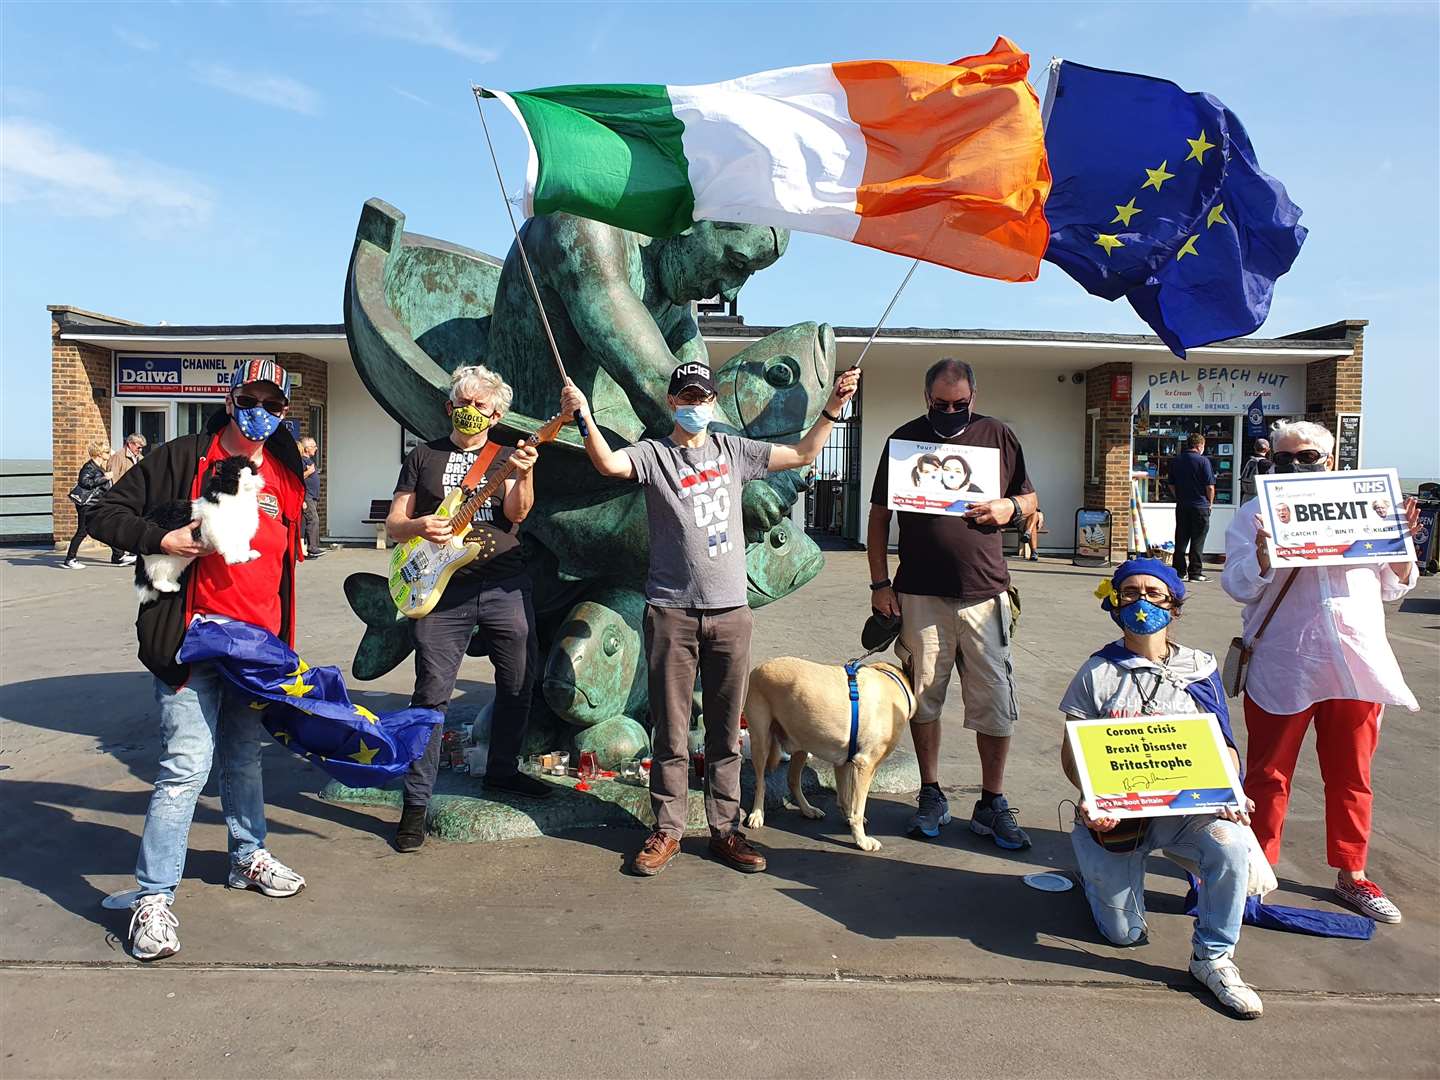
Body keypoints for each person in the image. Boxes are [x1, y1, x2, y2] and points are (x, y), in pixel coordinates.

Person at [561, 360, 860, 877]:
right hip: (671, 612)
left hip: (730, 614)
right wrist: (584, 416)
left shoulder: (734, 452)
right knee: (671, 729)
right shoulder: (654, 455)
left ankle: (726, 829)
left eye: (702, 399)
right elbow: (609, 465)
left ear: (713, 403)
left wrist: (834, 407)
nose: (695, 407)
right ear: (672, 404)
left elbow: (806, 452)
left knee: (725, 729)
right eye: (686, 398)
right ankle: (668, 830)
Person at [87, 359, 309, 961]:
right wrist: (160, 539)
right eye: (249, 397)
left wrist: (284, 646)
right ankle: (154, 897)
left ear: (285, 409)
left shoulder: (288, 477)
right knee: (187, 764)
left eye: (273, 402)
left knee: (244, 759)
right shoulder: (184, 457)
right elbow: (103, 512)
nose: (259, 410)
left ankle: (247, 856)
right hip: (191, 641)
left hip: (259, 649)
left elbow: (282, 566)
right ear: (231, 397)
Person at [1221, 420, 1420, 924]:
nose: (1292, 466)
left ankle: (1352, 872)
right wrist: (1264, 559)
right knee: (1267, 774)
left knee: (1352, 774)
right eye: (1281, 458)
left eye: (1305, 457)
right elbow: (1238, 584)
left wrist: (1400, 546)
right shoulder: (1253, 513)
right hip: (1286, 661)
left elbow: (1396, 585)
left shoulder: (1368, 506)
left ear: (1329, 461)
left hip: (1356, 662)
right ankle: (1259, 866)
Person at [1059, 559, 1262, 1019]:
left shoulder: (1200, 668)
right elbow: (1074, 755)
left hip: (1183, 812)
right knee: (1122, 935)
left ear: (1174, 604)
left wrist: (1229, 789)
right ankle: (1096, 875)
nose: (1142, 601)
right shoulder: (1097, 672)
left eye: (1154, 592)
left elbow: (1223, 746)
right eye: (1130, 592)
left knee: (1229, 842)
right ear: (1114, 602)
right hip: (1119, 816)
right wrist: (1090, 797)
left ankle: (1213, 958)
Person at [868, 358, 1038, 848]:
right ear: (926, 399)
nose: (949, 411)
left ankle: (992, 801)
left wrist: (1012, 506)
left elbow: (1029, 498)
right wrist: (880, 584)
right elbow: (880, 517)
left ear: (973, 398)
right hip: (919, 594)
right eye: (940, 404)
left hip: (986, 594)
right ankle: (931, 791)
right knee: (923, 699)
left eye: (958, 404)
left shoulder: (997, 435)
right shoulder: (904, 442)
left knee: (995, 703)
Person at [386, 364, 547, 853]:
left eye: (482, 405)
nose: (471, 411)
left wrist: (526, 473)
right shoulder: (424, 454)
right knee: (431, 695)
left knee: (519, 682)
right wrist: (420, 527)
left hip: (504, 585)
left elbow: (518, 515)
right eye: (464, 402)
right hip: (442, 593)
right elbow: (395, 523)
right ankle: (415, 804)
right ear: (450, 405)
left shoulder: (505, 456)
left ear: (498, 414)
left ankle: (503, 772)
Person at [62, 439, 119, 569]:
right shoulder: (89, 467)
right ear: (98, 454)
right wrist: (105, 478)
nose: (108, 454)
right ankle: (70, 559)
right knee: (82, 531)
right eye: (106, 452)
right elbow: (84, 482)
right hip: (87, 504)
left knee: (105, 528)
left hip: (95, 504)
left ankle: (118, 554)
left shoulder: (98, 466)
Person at [1167, 432, 1215, 582]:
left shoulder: (1176, 461)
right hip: (1200, 505)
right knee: (1198, 540)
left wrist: (1180, 496)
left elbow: (1171, 484)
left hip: (1182, 505)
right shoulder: (1203, 461)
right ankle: (1195, 573)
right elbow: (1210, 487)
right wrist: (1210, 503)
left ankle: (1179, 572)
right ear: (1199, 445)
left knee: (1181, 539)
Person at [105, 433, 147, 565]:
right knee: (120, 525)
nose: (140, 450)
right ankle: (118, 555)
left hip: (136, 497)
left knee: (134, 525)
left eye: (141, 448)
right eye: (138, 447)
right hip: (122, 496)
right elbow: (113, 478)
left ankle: (133, 553)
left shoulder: (139, 457)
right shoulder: (118, 457)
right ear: (130, 444)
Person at [298, 437, 324, 559]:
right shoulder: (301, 461)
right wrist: (308, 472)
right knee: (313, 520)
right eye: (314, 446)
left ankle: (306, 550)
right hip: (307, 496)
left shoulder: (309, 461)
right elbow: (297, 479)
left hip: (313, 497)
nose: (316, 448)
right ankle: (312, 548)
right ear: (307, 449)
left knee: (308, 522)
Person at [1238, 437, 1273, 503]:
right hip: (1259, 498)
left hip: (1245, 497)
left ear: (1254, 448)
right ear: (1267, 449)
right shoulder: (1267, 464)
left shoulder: (1247, 461)